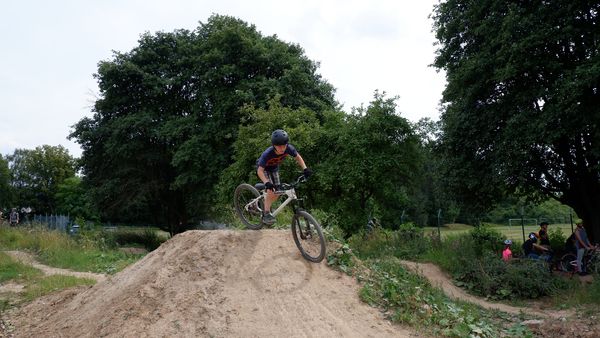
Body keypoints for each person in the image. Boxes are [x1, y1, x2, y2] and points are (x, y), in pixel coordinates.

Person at [256, 129, 312, 225]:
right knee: (271, 190)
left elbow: (298, 157)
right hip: (264, 169)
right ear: (274, 146)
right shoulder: (267, 153)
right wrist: (266, 182)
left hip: (274, 169)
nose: (282, 148)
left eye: (284, 145)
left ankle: (265, 202)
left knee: (277, 192)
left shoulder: (289, 148)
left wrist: (305, 169)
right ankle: (266, 213)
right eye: (279, 146)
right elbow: (259, 171)